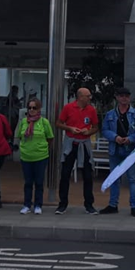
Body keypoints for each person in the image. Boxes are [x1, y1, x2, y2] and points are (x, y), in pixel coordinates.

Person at [99, 86, 135, 216]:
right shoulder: (110, 114)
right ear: (117, 97)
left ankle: (134, 206)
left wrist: (130, 139)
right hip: (115, 149)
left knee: (133, 179)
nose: (124, 98)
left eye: (126, 96)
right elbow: (104, 130)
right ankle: (113, 204)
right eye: (121, 96)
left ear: (129, 98)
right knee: (114, 178)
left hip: (130, 150)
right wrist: (115, 137)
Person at [55, 87, 99, 215]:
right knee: (65, 174)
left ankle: (89, 204)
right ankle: (62, 204)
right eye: (88, 96)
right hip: (71, 142)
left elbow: (95, 127)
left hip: (84, 144)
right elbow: (58, 123)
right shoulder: (68, 108)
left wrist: (88, 131)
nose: (90, 98)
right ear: (80, 97)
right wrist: (70, 128)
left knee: (87, 175)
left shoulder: (91, 110)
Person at [15, 97, 54, 214]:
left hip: (40, 157)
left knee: (39, 182)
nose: (31, 110)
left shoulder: (44, 122)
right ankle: (27, 204)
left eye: (34, 108)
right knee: (27, 182)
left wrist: (43, 148)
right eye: (30, 108)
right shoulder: (23, 122)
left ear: (39, 109)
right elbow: (20, 136)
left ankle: (38, 205)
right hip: (26, 157)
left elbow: (50, 138)